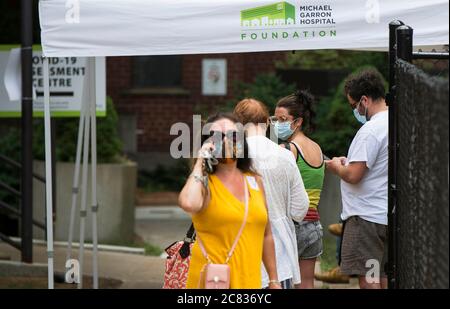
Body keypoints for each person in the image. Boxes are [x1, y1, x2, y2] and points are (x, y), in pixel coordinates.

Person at [178, 113, 281, 289]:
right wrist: (200, 162)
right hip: (212, 283)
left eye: (234, 135)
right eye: (217, 136)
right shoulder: (204, 182)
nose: (226, 141)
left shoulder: (255, 180)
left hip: (249, 283)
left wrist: (273, 280)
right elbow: (189, 203)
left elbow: (267, 234)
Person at [233, 98, 309, 289]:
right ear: (267, 121)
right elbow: (300, 208)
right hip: (280, 255)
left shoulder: (232, 156)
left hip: (241, 248)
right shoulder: (285, 155)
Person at [325, 69, 388, 289]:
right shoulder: (395, 121)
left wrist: (336, 167)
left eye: (354, 106)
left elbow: (353, 175)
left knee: (369, 277)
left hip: (366, 218)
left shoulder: (370, 130)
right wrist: (350, 162)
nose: (355, 111)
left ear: (364, 100)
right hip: (386, 214)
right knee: (382, 275)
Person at [272, 90, 325, 289]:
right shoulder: (317, 148)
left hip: (293, 225)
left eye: (283, 119)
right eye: (275, 119)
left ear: (298, 122)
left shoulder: (289, 150)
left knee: (280, 281)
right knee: (307, 284)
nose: (277, 124)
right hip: (314, 226)